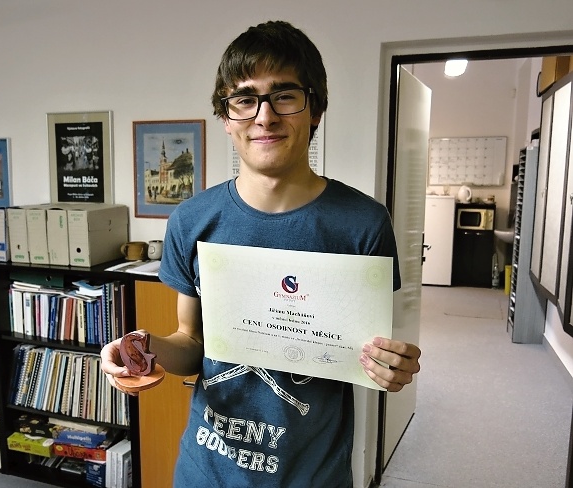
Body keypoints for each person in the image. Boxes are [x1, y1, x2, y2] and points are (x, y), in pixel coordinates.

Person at [101, 20, 421, 487]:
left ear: (315, 109)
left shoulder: (363, 224)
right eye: (245, 99)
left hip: (312, 476)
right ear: (226, 116)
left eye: (284, 96)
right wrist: (144, 346)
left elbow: (367, 352)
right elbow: (191, 343)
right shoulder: (191, 220)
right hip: (206, 471)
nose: (264, 117)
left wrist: (391, 366)